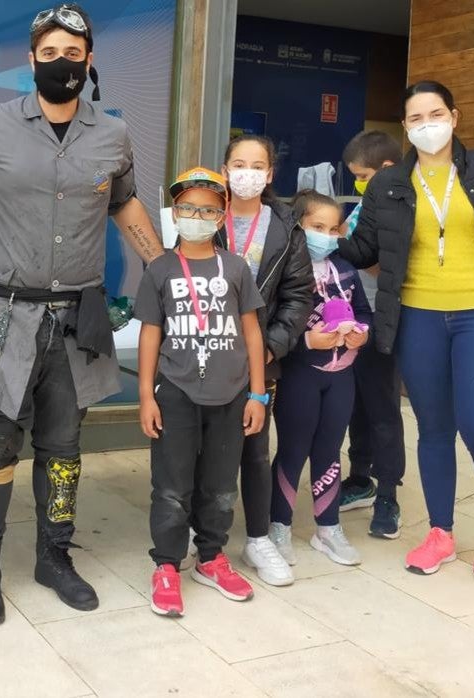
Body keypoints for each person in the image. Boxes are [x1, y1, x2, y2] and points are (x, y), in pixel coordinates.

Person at [0, 3, 165, 625]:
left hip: (76, 316)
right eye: (48, 53)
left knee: (64, 444)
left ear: (89, 60)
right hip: (1, 311)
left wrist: (169, 273)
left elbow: (128, 207)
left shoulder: (112, 135)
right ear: (30, 60)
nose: (61, 63)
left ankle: (54, 557)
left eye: (72, 53)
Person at [340, 80, 474, 583]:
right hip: (418, 317)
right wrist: (315, 234)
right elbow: (363, 250)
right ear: (404, 127)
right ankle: (441, 533)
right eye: (416, 119)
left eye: (436, 114)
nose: (428, 125)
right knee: (433, 429)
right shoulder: (389, 185)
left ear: (455, 116)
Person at [135, 168, 267, 617]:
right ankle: (167, 565)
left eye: (208, 209)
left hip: (231, 395)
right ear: (175, 213)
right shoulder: (160, 268)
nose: (197, 216)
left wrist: (258, 393)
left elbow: (252, 333)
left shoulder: (236, 267)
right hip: (175, 392)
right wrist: (146, 396)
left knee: (220, 486)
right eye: (188, 208)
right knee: (171, 488)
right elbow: (151, 334)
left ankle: (210, 558)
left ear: (222, 215)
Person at [208, 134, 314, 587]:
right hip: (204, 352)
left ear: (270, 174)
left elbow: (297, 296)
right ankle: (203, 535)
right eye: (238, 163)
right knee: (203, 447)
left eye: (257, 165)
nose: (247, 172)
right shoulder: (205, 216)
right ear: (225, 169)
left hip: (260, 358)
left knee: (254, 450)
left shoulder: (286, 226)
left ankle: (257, 538)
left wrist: (270, 346)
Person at [269, 191, 371, 568]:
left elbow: (362, 310)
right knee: (294, 450)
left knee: (330, 450)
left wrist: (363, 330)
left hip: (342, 376)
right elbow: (273, 327)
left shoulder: (344, 268)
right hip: (301, 377)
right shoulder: (284, 271)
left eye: (333, 229)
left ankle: (328, 528)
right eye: (317, 228)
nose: (326, 236)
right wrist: (306, 341)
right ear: (297, 227)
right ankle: (278, 524)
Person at [338, 130, 407, 539]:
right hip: (350, 318)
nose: (359, 184)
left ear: (386, 170)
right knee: (356, 405)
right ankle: (359, 477)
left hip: (383, 322)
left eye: (362, 176)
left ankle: (388, 494)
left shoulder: (404, 207)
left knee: (382, 409)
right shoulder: (367, 204)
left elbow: (392, 268)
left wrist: (355, 254)